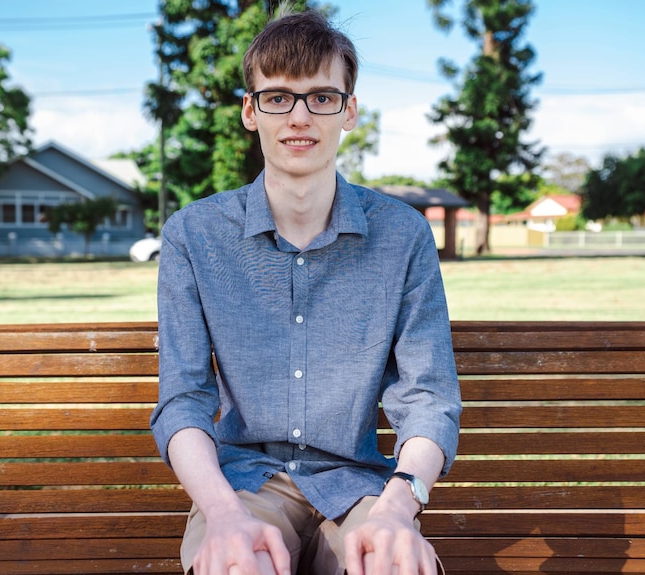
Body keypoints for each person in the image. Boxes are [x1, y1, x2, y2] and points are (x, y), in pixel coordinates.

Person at [150, 7, 462, 575]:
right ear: (251, 111)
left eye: (322, 97)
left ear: (350, 112)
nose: (299, 116)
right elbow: (184, 399)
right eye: (278, 97)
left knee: (393, 566)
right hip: (243, 485)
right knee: (239, 564)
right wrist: (220, 513)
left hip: (360, 487)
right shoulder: (193, 236)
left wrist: (398, 508)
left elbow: (427, 400)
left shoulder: (403, 235)